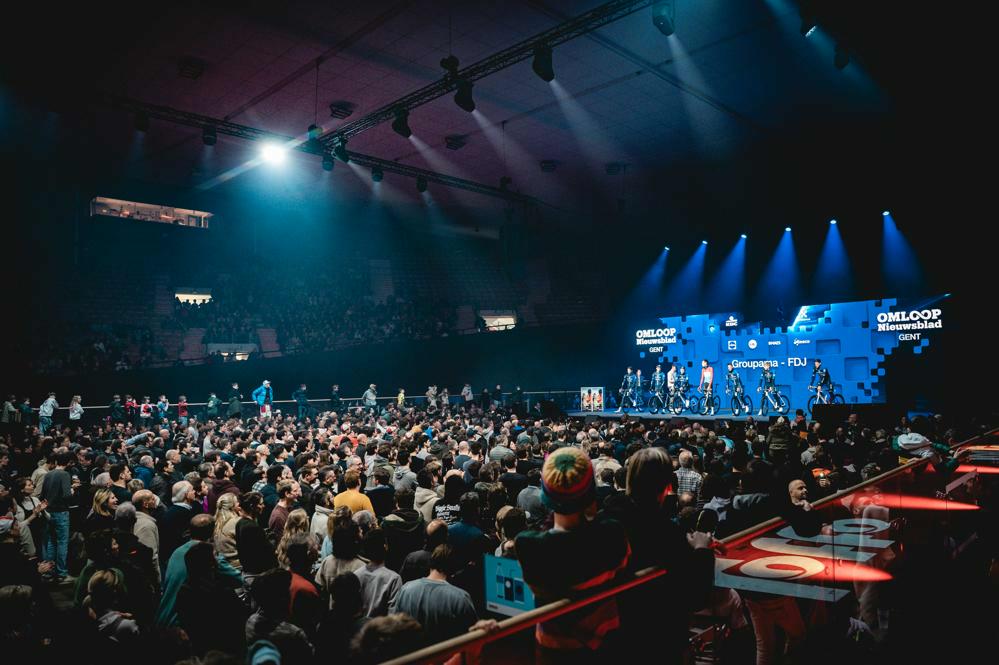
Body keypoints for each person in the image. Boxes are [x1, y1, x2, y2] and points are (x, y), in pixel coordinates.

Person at [515, 446, 630, 654]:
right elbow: (621, 567)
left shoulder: (529, 545)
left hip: (554, 647)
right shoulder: (612, 532)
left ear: (546, 493)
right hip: (607, 640)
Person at [390, 543, 477, 646]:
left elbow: (394, 626)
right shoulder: (461, 598)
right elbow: (474, 638)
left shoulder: (406, 589)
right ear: (455, 569)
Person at [176, 541, 248, 656]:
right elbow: (241, 617)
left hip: (200, 651)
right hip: (227, 651)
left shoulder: (184, 592)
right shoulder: (222, 592)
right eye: (215, 556)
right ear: (211, 564)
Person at [246, 568, 315, 663]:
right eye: (287, 591)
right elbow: (310, 657)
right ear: (283, 598)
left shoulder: (250, 622)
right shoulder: (293, 633)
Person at [40, 450, 75, 582]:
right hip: (61, 512)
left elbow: (43, 495)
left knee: (51, 543)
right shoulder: (65, 474)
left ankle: (49, 572)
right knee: (62, 543)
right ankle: (61, 573)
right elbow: (67, 495)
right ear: (69, 462)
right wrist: (72, 490)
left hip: (48, 512)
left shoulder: (48, 474)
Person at [354, 528, 402, 618]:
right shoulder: (394, 579)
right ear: (385, 547)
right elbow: (393, 614)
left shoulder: (356, 574)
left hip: (358, 630)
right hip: (380, 629)